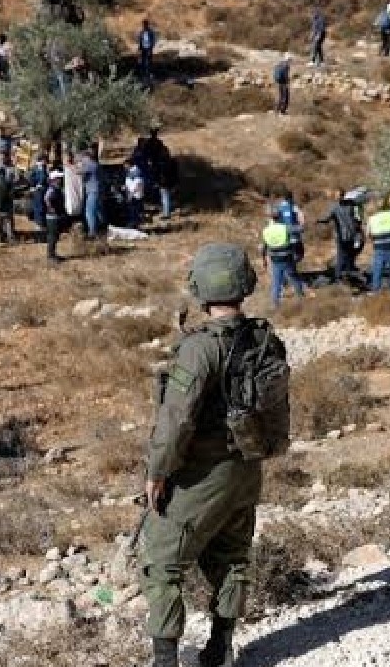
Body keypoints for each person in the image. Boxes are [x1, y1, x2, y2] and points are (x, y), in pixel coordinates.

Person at [140, 242, 288, 667]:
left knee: (163, 563)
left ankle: (166, 660)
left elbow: (176, 421)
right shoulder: (264, 339)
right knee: (231, 559)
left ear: (199, 287)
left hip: (202, 475)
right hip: (246, 469)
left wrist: (158, 472)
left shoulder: (200, 348)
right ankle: (220, 649)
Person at [261, 206, 305, 308]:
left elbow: (263, 247)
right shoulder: (285, 227)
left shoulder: (266, 230)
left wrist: (264, 260)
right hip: (287, 257)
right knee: (294, 277)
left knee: (276, 282)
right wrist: (301, 216)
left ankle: (275, 304)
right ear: (280, 216)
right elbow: (301, 229)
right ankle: (300, 297)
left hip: (275, 258)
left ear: (270, 218)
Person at [318, 189, 361, 283]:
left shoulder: (335, 207)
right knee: (348, 255)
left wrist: (318, 220)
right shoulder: (351, 204)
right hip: (350, 235)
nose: (338, 197)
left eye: (338, 195)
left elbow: (326, 218)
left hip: (344, 236)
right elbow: (357, 217)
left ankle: (339, 277)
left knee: (342, 256)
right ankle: (348, 274)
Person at [275, 190, 305, 263]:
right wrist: (301, 226)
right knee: (298, 254)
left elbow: (275, 219)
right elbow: (301, 217)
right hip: (295, 235)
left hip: (284, 236)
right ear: (291, 197)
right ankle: (292, 270)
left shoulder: (280, 207)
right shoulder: (294, 206)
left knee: (289, 255)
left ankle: (290, 269)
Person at [44, 169, 66, 263]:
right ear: (54, 179)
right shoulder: (52, 189)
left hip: (56, 216)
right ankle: (50, 256)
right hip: (52, 217)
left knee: (55, 236)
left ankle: (53, 254)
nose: (60, 179)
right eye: (58, 178)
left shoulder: (57, 188)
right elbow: (47, 198)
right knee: (52, 237)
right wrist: (51, 208)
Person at [80, 149, 101, 237]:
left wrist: (70, 167)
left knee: (90, 212)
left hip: (93, 191)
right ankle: (99, 228)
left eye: (83, 158)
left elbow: (79, 172)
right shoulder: (94, 164)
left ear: (87, 157)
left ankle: (92, 232)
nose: (82, 160)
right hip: (93, 191)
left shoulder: (90, 164)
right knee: (96, 211)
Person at [63, 152, 85, 235]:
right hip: (70, 190)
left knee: (76, 204)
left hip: (76, 189)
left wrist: (69, 165)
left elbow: (77, 171)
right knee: (71, 205)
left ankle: (76, 226)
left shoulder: (77, 166)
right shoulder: (68, 167)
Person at [125, 161, 146, 228]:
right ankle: (134, 224)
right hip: (132, 194)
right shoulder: (131, 171)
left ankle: (135, 225)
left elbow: (138, 184)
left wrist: (131, 194)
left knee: (134, 211)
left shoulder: (136, 171)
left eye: (125, 165)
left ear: (128, 164)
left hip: (135, 195)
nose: (124, 166)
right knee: (133, 211)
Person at [139, 19, 157, 83]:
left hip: (149, 48)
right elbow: (140, 40)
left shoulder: (151, 32)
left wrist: (151, 47)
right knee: (143, 62)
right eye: (143, 24)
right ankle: (144, 74)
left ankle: (150, 73)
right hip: (143, 48)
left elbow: (153, 40)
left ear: (147, 24)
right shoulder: (142, 32)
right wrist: (140, 48)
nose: (144, 26)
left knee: (149, 61)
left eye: (145, 24)